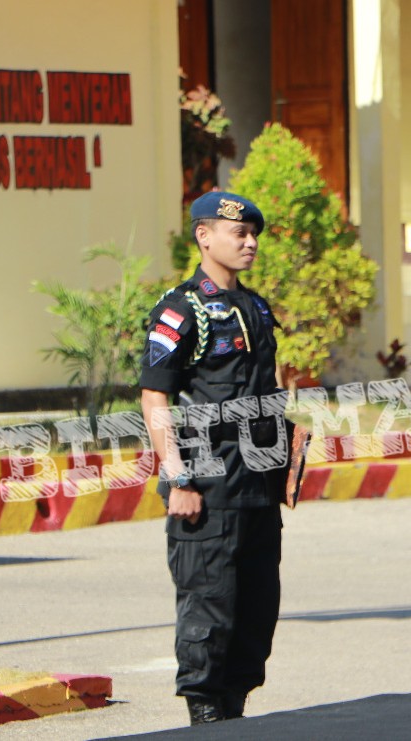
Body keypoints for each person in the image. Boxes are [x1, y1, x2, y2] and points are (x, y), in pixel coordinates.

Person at [139, 191, 288, 725]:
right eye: (238, 234)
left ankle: (235, 709)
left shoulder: (255, 306)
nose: (249, 243)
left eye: (254, 234)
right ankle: (205, 715)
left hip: (257, 487)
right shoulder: (182, 309)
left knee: (255, 611)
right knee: (210, 607)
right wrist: (176, 475)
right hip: (206, 485)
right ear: (205, 236)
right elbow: (155, 397)